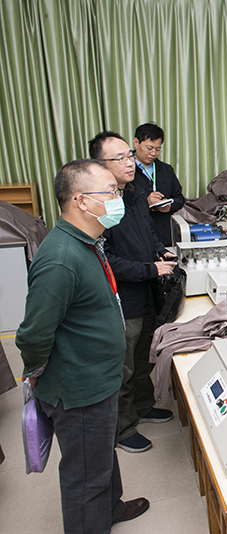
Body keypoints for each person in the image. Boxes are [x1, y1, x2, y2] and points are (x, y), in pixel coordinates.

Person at [16, 159, 150, 532]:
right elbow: (32, 334)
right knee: (86, 476)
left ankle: (111, 508)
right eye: (111, 192)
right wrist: (38, 373)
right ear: (82, 201)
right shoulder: (61, 259)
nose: (118, 198)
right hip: (79, 389)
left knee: (101, 455)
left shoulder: (86, 242)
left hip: (99, 378)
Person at [89, 131, 177, 453]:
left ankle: (143, 406)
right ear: (100, 165)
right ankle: (124, 428)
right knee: (123, 368)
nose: (130, 162)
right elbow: (106, 259)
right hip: (122, 299)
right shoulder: (99, 204)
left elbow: (148, 234)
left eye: (129, 155)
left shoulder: (136, 193)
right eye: (121, 158)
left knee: (143, 359)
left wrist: (159, 250)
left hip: (146, 293)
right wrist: (150, 269)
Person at [132, 122, 185, 246]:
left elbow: (179, 198)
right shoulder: (126, 170)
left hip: (163, 234)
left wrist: (170, 206)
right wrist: (146, 202)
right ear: (136, 142)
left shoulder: (166, 170)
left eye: (157, 149)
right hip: (136, 235)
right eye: (149, 148)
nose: (153, 153)